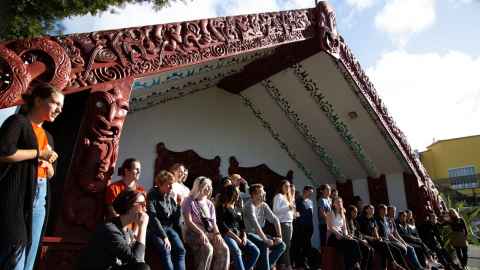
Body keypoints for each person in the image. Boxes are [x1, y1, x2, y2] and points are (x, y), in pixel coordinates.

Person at [0, 84, 63, 270]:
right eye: (55, 103)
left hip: (40, 198)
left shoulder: (49, 136)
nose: (59, 109)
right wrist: (38, 153)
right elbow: (4, 153)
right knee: (15, 252)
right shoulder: (18, 122)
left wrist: (48, 163)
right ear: (37, 100)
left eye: (62, 106)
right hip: (16, 196)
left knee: (30, 256)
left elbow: (51, 173)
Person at [77, 190, 150, 270]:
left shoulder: (128, 232)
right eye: (142, 205)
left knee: (143, 267)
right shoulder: (110, 229)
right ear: (129, 206)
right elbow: (136, 260)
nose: (145, 210)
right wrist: (143, 227)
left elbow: (140, 259)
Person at [182, 176, 229, 270]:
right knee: (208, 249)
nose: (209, 188)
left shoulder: (210, 204)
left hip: (209, 233)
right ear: (198, 187)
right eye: (205, 186)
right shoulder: (188, 201)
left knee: (224, 249)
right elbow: (188, 221)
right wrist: (201, 232)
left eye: (210, 186)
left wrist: (217, 234)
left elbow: (214, 222)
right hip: (193, 233)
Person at [146, 170, 185, 270]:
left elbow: (175, 219)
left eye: (172, 184)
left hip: (168, 228)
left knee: (181, 250)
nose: (171, 187)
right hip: (155, 229)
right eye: (169, 184)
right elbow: (153, 218)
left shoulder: (169, 197)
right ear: (160, 184)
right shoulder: (152, 195)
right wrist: (164, 237)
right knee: (166, 249)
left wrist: (179, 205)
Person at [216, 184, 260, 270]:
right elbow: (222, 226)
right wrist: (236, 238)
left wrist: (244, 236)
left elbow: (242, 224)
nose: (238, 195)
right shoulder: (222, 207)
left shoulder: (238, 207)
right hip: (227, 235)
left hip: (239, 235)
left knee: (255, 251)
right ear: (231, 193)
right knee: (237, 251)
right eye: (236, 193)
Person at [243, 183, 286, 270]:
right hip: (249, 234)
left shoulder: (264, 205)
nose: (264, 193)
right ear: (254, 195)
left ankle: (264, 267)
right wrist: (265, 239)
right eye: (262, 192)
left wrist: (279, 236)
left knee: (282, 245)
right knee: (264, 244)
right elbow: (256, 225)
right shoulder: (249, 205)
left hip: (260, 234)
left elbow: (275, 219)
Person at [357, 205, 405, 270]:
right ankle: (394, 264)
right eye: (370, 208)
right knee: (384, 245)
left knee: (391, 247)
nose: (372, 210)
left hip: (375, 240)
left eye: (373, 208)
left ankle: (395, 265)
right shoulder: (361, 219)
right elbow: (361, 234)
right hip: (366, 240)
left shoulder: (373, 219)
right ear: (366, 210)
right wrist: (373, 238)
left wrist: (378, 237)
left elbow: (375, 230)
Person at [378, 205, 423, 270]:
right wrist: (401, 242)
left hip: (394, 239)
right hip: (389, 240)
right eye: (392, 211)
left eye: (394, 212)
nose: (393, 213)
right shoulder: (386, 221)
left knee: (410, 248)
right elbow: (390, 235)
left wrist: (403, 243)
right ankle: (408, 267)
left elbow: (396, 234)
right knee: (405, 249)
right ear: (388, 212)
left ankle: (416, 267)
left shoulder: (392, 221)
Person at [326, 197, 362, 270]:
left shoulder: (343, 215)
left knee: (353, 242)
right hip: (333, 236)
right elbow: (330, 227)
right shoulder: (330, 213)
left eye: (341, 202)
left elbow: (344, 229)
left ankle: (355, 263)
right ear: (334, 204)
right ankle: (354, 265)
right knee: (349, 245)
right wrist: (338, 234)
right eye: (337, 202)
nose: (340, 203)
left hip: (341, 236)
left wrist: (346, 236)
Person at [273, 180, 295, 270]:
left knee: (287, 245)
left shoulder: (287, 197)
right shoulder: (278, 196)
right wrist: (288, 207)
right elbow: (275, 210)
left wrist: (293, 213)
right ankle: (288, 266)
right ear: (281, 186)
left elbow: (289, 210)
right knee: (286, 246)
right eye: (286, 186)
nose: (288, 188)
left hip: (290, 222)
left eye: (289, 186)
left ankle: (282, 265)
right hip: (283, 223)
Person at [291, 186, 315, 270]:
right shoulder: (298, 200)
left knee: (307, 246)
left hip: (309, 227)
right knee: (299, 246)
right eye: (310, 192)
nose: (311, 194)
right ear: (305, 191)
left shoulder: (310, 202)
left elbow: (311, 214)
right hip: (300, 227)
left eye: (312, 192)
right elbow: (296, 214)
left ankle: (306, 263)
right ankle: (300, 264)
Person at [345, 205, 373, 270]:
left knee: (371, 249)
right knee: (366, 249)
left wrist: (363, 239)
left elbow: (359, 232)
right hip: (353, 240)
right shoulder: (347, 221)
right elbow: (350, 234)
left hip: (359, 240)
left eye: (357, 212)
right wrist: (361, 240)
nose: (356, 214)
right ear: (351, 212)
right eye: (355, 212)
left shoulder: (355, 221)